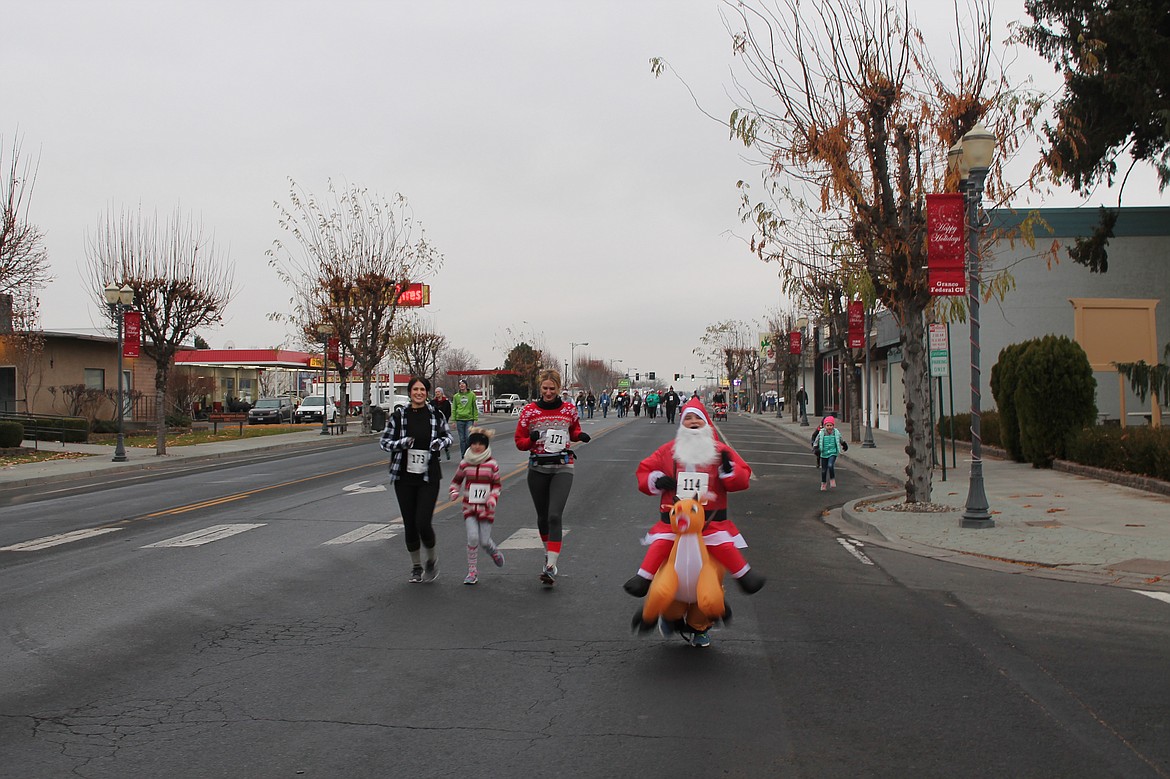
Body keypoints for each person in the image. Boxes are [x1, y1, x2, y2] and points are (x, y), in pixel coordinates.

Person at [626, 398, 764, 648]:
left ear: (706, 422)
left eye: (697, 418)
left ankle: (700, 625)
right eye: (687, 418)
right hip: (673, 528)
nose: (692, 422)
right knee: (670, 580)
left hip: (712, 529)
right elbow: (644, 473)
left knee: (708, 582)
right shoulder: (667, 451)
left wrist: (728, 472)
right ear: (681, 423)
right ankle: (670, 615)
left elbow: (742, 479)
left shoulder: (720, 451)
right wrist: (656, 480)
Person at [515, 369, 591, 586]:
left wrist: (580, 436)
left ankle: (551, 565)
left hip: (562, 466)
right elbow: (519, 442)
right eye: (545, 388)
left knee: (555, 515)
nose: (548, 392)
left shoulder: (569, 409)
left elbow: (574, 430)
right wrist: (531, 439)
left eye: (552, 389)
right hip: (538, 467)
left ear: (559, 389)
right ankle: (548, 555)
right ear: (541, 388)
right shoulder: (530, 411)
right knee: (542, 517)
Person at [379, 376, 453, 583]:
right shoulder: (399, 416)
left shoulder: (435, 414)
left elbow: (449, 437)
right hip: (403, 476)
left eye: (422, 389)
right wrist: (402, 443)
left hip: (429, 475)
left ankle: (431, 558)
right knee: (410, 524)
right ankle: (416, 566)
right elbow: (384, 442)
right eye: (415, 389)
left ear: (427, 393)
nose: (419, 393)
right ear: (410, 392)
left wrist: (439, 443)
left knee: (422, 521)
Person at [448, 426, 505, 585]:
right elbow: (456, 481)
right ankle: (472, 572)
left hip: (487, 508)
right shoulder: (465, 463)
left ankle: (493, 551)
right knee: (472, 538)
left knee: (484, 541)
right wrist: (454, 492)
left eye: (481, 443)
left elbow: (497, 485)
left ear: (486, 445)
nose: (477, 446)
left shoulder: (492, 464)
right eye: (474, 443)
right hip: (469, 507)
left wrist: (492, 498)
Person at [813, 415, 848, 490]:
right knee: (824, 470)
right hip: (823, 453)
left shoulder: (836, 432)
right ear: (824, 426)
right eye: (827, 425)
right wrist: (816, 448)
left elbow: (840, 439)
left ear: (833, 425)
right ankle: (823, 483)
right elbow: (816, 441)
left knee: (830, 465)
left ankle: (832, 479)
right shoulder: (821, 433)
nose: (829, 427)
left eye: (831, 425)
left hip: (833, 452)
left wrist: (844, 444)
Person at [450, 379, 480, 458]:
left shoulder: (472, 395)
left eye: (463, 384)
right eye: (460, 384)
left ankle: (468, 454)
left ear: (466, 385)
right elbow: (454, 408)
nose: (461, 385)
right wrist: (453, 421)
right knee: (462, 439)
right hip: (459, 419)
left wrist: (475, 419)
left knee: (467, 437)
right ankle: (463, 456)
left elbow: (474, 408)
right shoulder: (456, 396)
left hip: (469, 419)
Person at [432, 387, 453, 460]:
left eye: (438, 392)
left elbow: (448, 412)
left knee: (444, 437)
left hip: (443, 422)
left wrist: (445, 420)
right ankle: (437, 456)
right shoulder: (433, 402)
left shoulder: (446, 402)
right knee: (436, 438)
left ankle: (446, 448)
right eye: (436, 392)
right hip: (435, 422)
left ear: (441, 393)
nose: (437, 393)